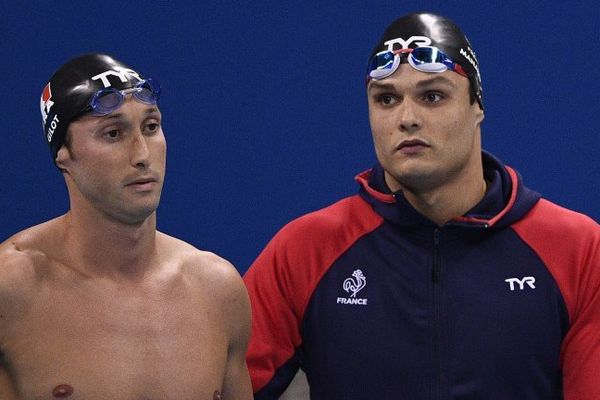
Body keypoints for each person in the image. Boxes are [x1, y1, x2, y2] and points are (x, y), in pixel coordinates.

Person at [243, 12, 600, 399]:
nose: (407, 118)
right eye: (386, 99)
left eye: (432, 96)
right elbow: (229, 386)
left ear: (477, 105)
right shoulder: (304, 250)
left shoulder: (578, 250)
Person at [0, 54, 252, 400]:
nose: (142, 154)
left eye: (151, 127)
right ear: (64, 155)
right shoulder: (12, 287)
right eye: (113, 133)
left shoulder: (217, 290)